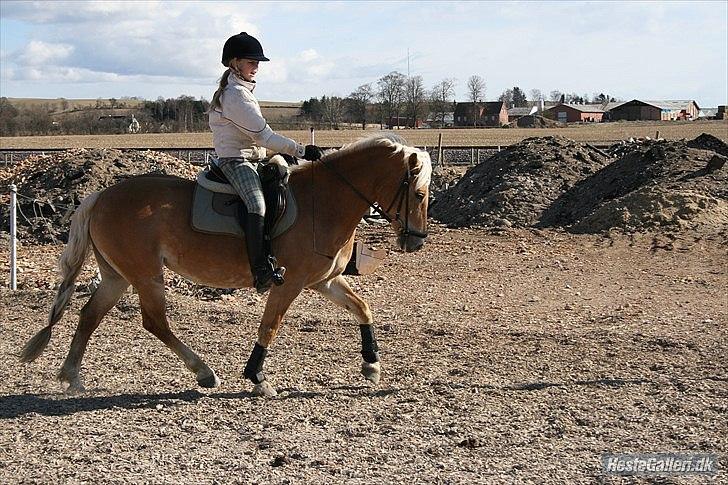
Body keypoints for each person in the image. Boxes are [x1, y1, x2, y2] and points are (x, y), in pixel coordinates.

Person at [209, 32, 323, 294]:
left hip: (256, 157)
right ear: (234, 63)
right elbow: (263, 135)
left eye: (258, 63)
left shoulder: (244, 91)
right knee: (256, 202)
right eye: (252, 62)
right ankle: (260, 268)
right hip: (236, 161)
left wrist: (288, 155)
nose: (257, 67)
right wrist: (301, 150)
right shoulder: (236, 96)